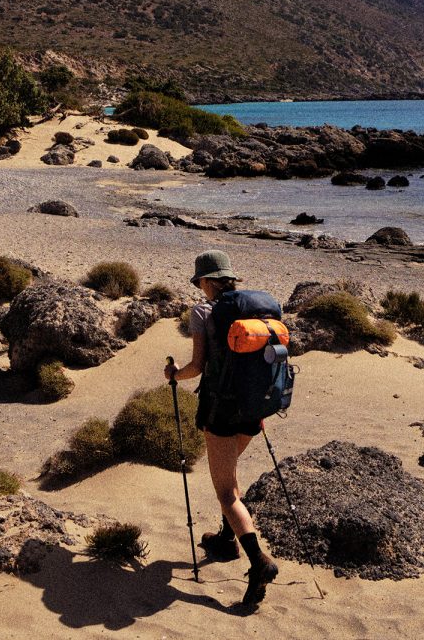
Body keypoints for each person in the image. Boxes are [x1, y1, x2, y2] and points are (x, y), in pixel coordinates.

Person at [164, 249, 281, 606]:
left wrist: (173, 375)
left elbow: (197, 367)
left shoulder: (202, 312)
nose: (199, 287)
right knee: (229, 474)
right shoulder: (258, 310)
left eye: (200, 281)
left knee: (227, 493)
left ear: (208, 281)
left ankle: (258, 562)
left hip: (220, 412)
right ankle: (225, 541)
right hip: (254, 408)